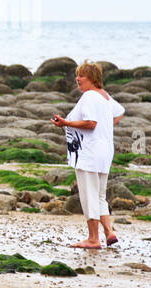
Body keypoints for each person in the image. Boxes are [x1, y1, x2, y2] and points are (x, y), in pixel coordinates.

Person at [52, 60, 125, 248]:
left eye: (81, 76)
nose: (77, 79)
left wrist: (65, 123)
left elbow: (90, 123)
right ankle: (108, 232)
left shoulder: (89, 97)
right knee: (99, 195)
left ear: (92, 78)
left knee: (88, 195)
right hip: (104, 151)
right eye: (77, 75)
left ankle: (93, 239)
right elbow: (120, 112)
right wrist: (106, 127)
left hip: (89, 153)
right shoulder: (104, 96)